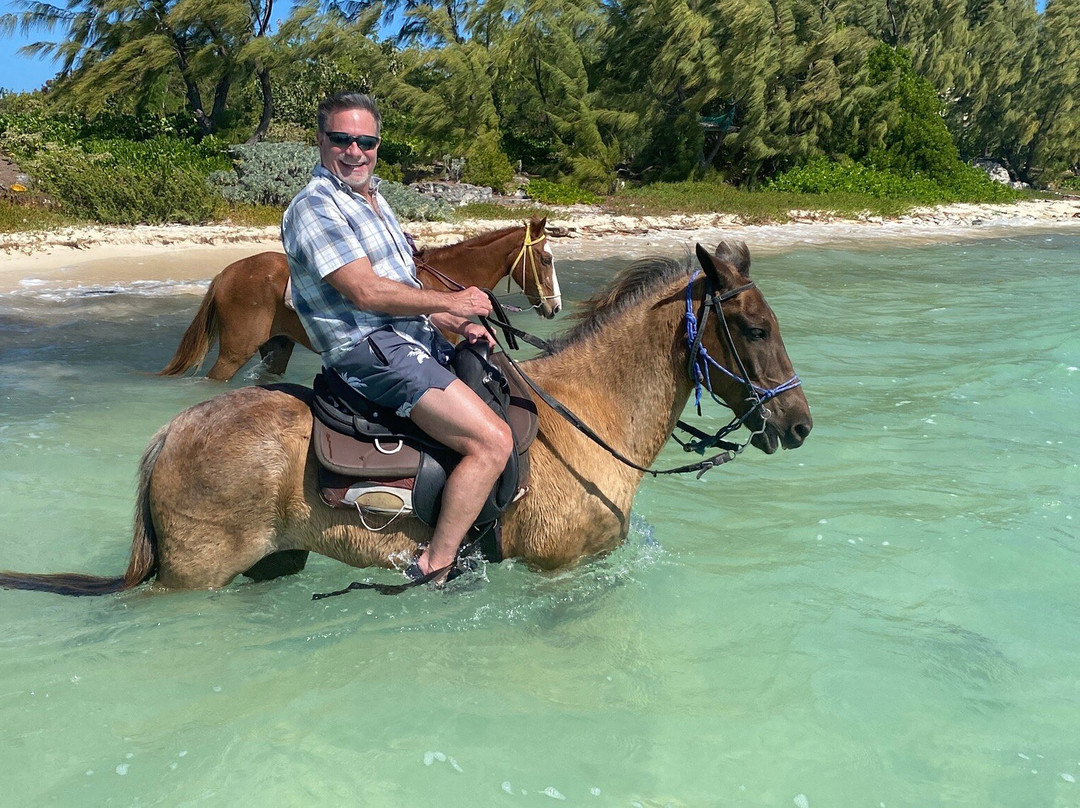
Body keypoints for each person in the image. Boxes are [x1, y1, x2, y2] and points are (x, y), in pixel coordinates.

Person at [281, 92, 514, 584]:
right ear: (321, 140)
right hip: (368, 349)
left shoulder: (374, 200)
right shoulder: (314, 207)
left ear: (377, 144)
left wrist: (455, 324)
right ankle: (435, 565)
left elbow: (403, 288)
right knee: (492, 442)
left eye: (366, 141)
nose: (354, 151)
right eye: (341, 139)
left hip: (410, 338)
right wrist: (451, 302)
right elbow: (365, 292)